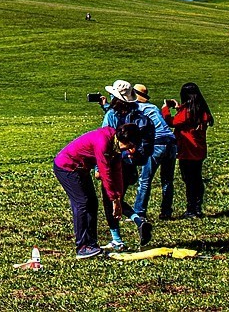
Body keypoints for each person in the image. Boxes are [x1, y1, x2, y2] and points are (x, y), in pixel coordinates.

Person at [54, 123, 143, 259]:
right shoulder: (103, 142)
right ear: (123, 141)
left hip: (81, 169)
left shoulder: (115, 146)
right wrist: (113, 199)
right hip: (67, 167)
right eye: (130, 146)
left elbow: (117, 173)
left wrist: (118, 198)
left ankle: (91, 244)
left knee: (92, 203)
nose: (131, 150)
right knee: (82, 203)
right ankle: (82, 247)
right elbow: (105, 172)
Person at [99, 80, 155, 250]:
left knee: (110, 200)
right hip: (131, 164)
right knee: (118, 199)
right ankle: (138, 220)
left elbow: (104, 140)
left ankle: (117, 238)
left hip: (114, 163)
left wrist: (98, 168)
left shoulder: (112, 116)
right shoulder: (139, 115)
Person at [162, 82, 215, 218]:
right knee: (197, 178)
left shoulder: (187, 111)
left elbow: (172, 122)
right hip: (199, 150)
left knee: (189, 180)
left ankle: (191, 209)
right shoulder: (202, 110)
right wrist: (179, 107)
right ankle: (197, 207)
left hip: (187, 150)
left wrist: (165, 109)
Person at [131, 83, 178, 221]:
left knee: (145, 179)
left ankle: (139, 212)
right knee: (167, 180)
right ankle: (166, 211)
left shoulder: (137, 109)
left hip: (156, 143)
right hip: (171, 141)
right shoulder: (153, 107)